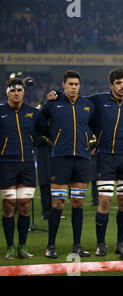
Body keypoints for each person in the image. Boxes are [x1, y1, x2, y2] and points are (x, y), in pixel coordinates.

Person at [47, 68, 123, 256]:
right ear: (111, 85)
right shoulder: (98, 100)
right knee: (105, 202)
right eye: (118, 83)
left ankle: (121, 244)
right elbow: (76, 100)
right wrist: (58, 93)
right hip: (105, 157)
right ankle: (101, 244)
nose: (122, 86)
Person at [38, 70, 95, 258]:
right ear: (64, 85)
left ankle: (77, 245)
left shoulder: (87, 105)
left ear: (80, 86)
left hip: (82, 159)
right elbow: (39, 123)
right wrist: (53, 137)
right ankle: (51, 246)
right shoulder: (52, 104)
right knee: (58, 202)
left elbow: (98, 126)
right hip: (61, 159)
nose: (73, 87)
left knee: (78, 203)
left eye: (76, 84)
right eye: (70, 84)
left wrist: (93, 144)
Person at [0, 78, 39, 259]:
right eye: (12, 90)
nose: (16, 93)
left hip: (27, 165)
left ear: (23, 92)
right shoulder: (0, 111)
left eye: (19, 90)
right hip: (6, 165)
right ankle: (10, 247)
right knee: (8, 206)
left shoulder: (32, 112)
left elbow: (42, 132)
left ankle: (22, 246)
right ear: (6, 92)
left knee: (24, 206)